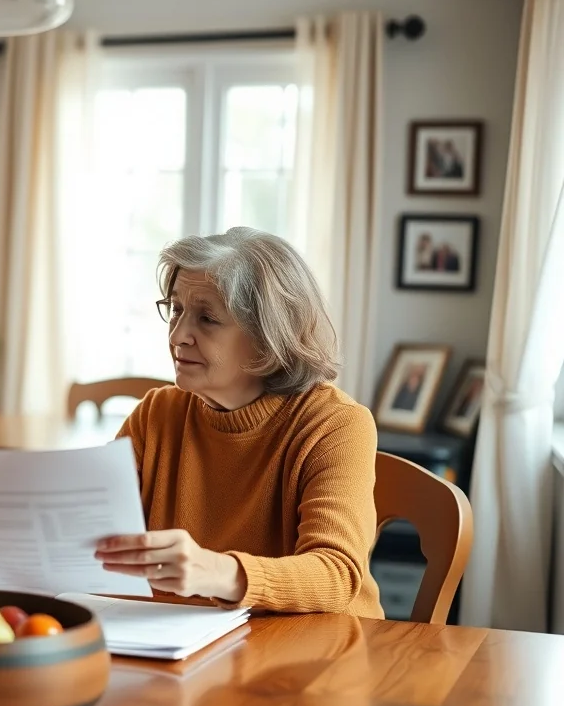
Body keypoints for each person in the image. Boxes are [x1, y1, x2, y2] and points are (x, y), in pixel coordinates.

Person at [94, 227, 383, 618]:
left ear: (268, 337)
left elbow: (335, 575)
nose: (178, 336)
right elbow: (95, 530)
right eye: (176, 309)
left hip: (317, 654)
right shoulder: (156, 413)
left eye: (207, 318)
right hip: (183, 647)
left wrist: (214, 571)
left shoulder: (335, 425)